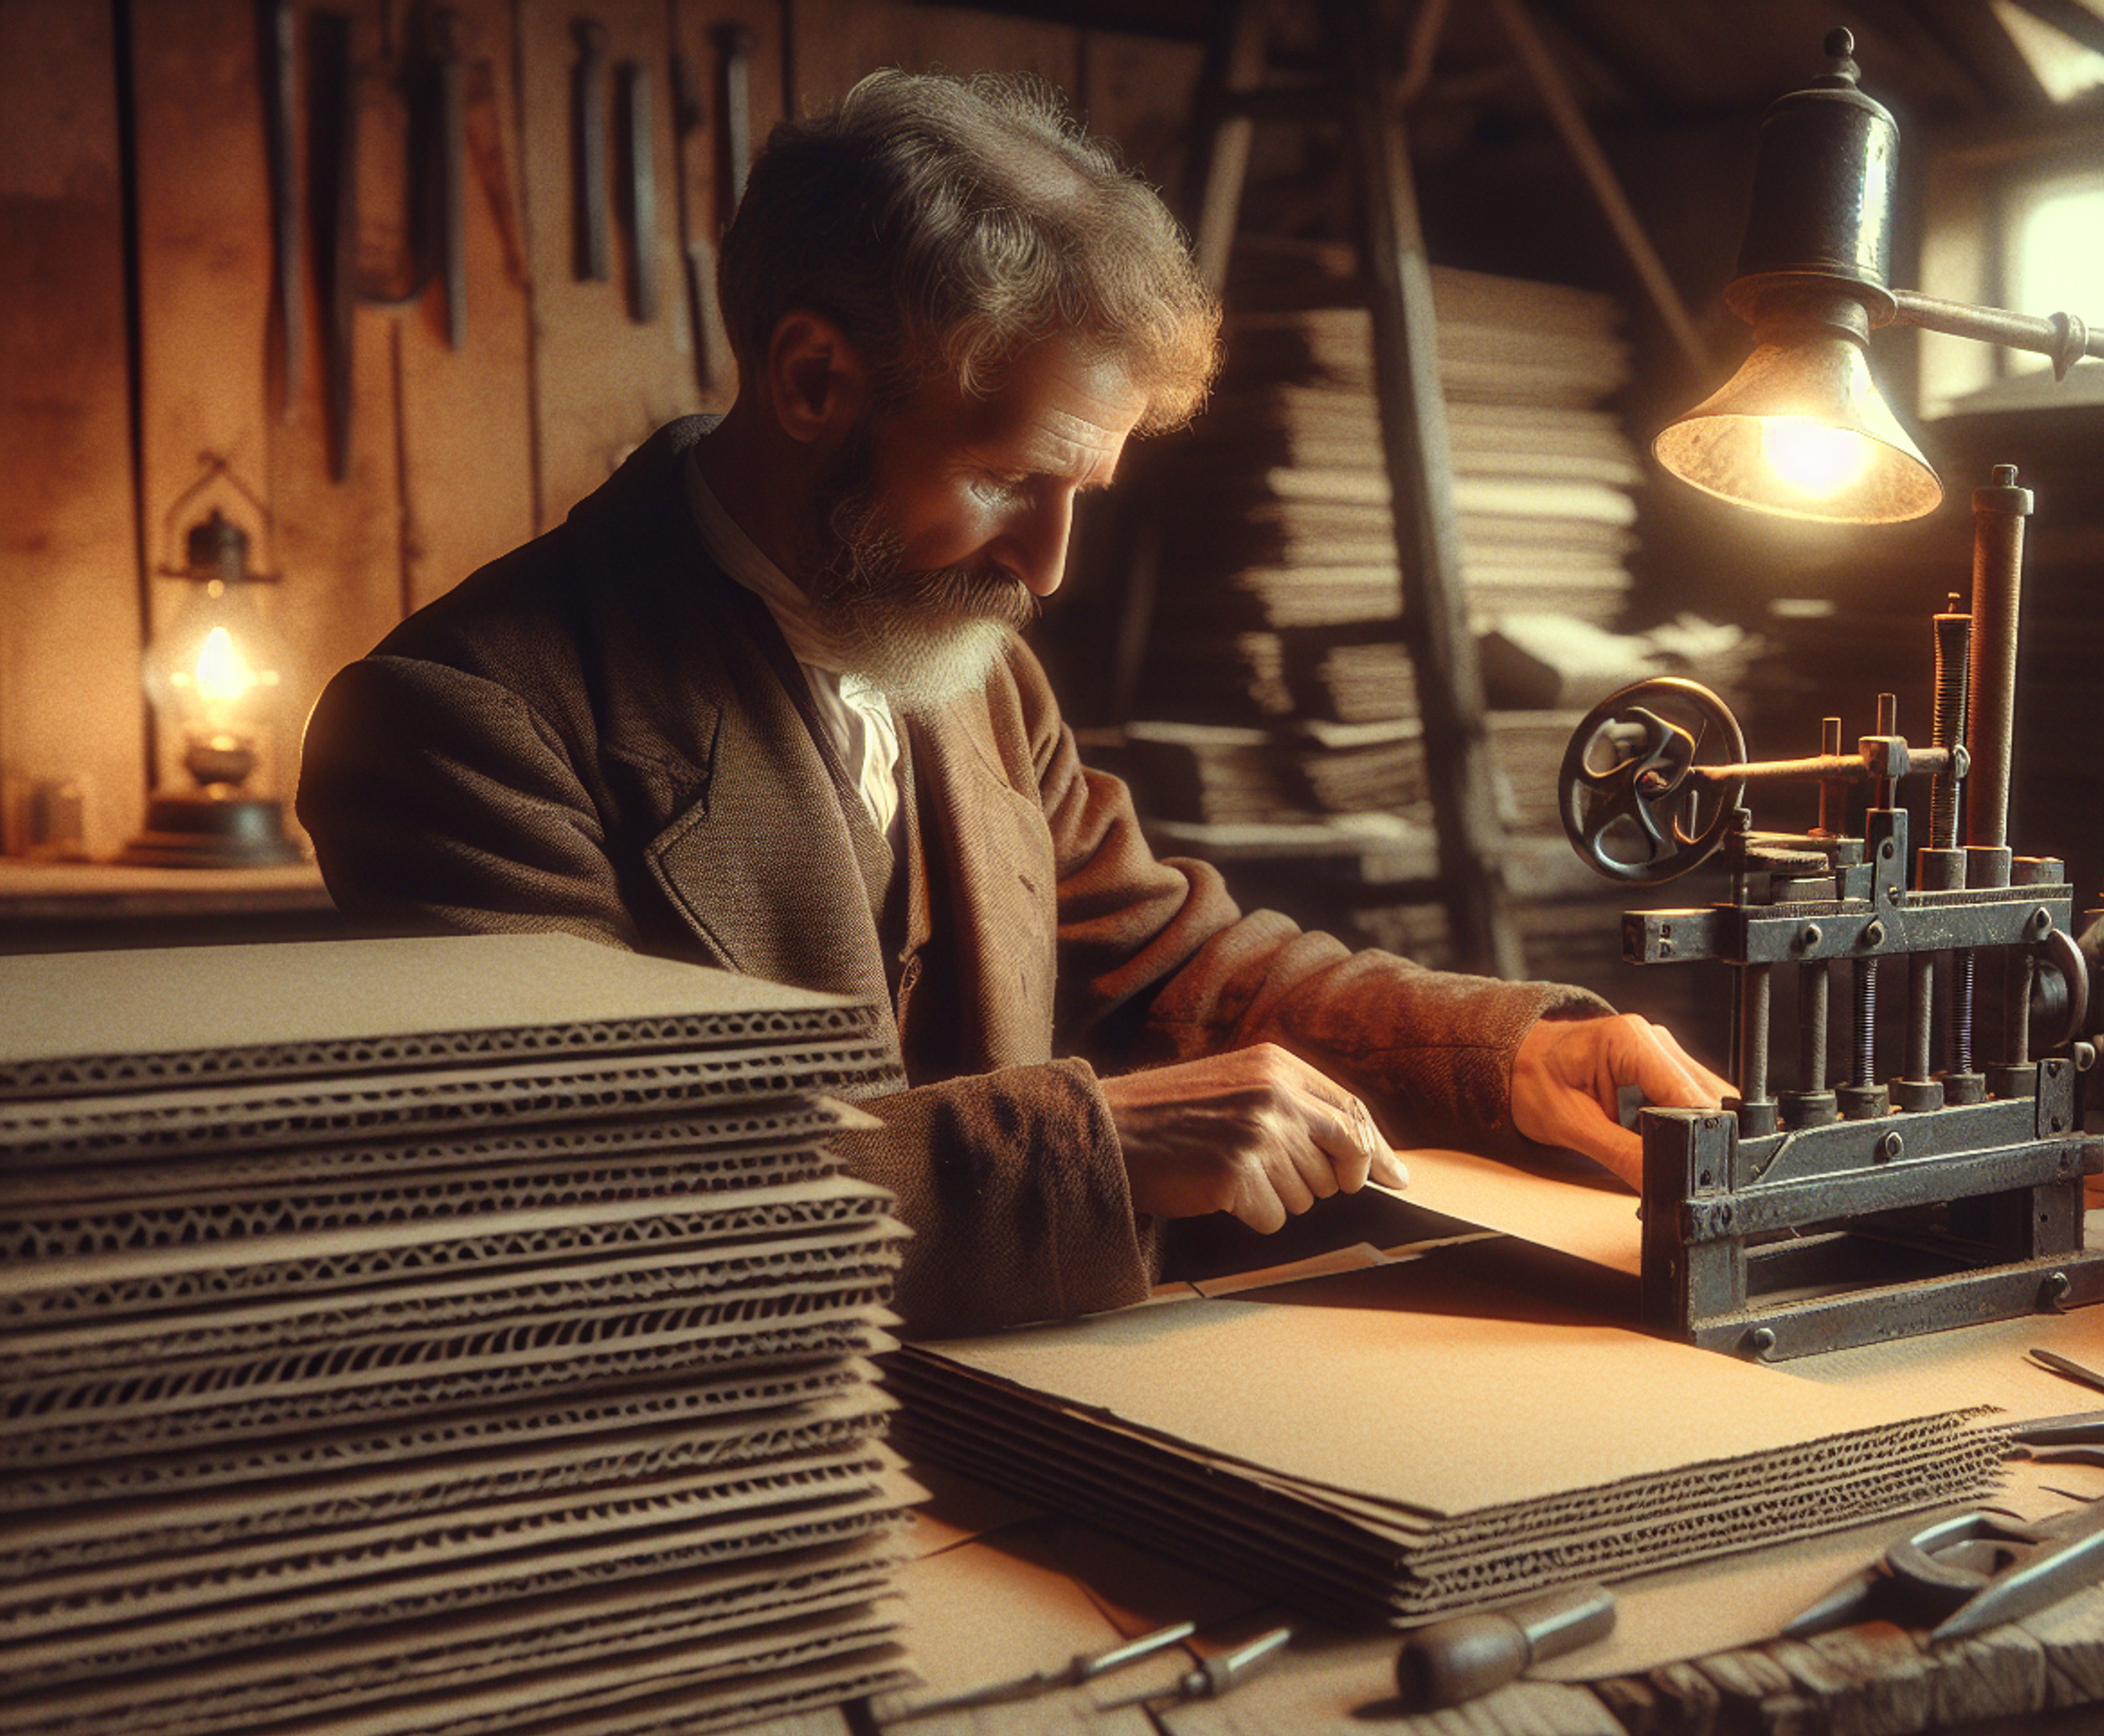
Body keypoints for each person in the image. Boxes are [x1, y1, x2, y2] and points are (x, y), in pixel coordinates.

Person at [298, 70, 1721, 1336]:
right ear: (810, 377)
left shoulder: (974, 666)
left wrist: (1508, 1050)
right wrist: (1086, 1141)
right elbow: (586, 1214)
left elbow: (1176, 965)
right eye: (1007, 479)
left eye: (1081, 493)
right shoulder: (460, 721)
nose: (1045, 568)